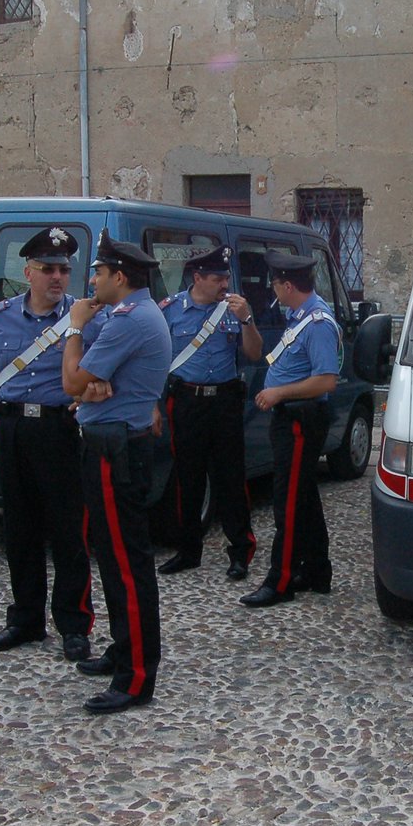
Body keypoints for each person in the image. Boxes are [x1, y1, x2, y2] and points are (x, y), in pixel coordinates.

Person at [0, 227, 95, 662]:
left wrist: (91, 396)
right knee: (19, 529)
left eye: (63, 269)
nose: (57, 277)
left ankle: (74, 625)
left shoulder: (83, 319)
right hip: (13, 430)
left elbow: (102, 370)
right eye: (48, 269)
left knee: (68, 531)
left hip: (59, 432)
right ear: (28, 273)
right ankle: (25, 619)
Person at [63, 232, 170, 714]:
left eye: (99, 273)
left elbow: (71, 380)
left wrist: (74, 328)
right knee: (114, 558)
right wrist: (92, 383)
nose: (92, 281)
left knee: (126, 564)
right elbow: (87, 385)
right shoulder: (131, 315)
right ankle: (125, 650)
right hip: (112, 443)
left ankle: (136, 677)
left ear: (120, 277)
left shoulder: (129, 320)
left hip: (116, 451)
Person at [238, 251, 342, 609]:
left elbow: (326, 380)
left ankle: (280, 580)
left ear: (287, 284)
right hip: (290, 418)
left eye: (276, 285)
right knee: (305, 497)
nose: (274, 291)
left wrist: (279, 391)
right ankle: (316, 570)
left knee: (288, 502)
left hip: (301, 419)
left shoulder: (317, 323)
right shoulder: (300, 315)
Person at [157, 245, 263, 580]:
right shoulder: (170, 311)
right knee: (187, 477)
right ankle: (188, 550)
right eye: (217, 277)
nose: (224, 284)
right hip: (187, 400)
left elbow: (254, 353)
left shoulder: (234, 309)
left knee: (231, 477)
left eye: (226, 277)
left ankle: (240, 551)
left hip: (225, 401)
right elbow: (155, 360)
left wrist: (246, 319)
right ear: (197, 277)